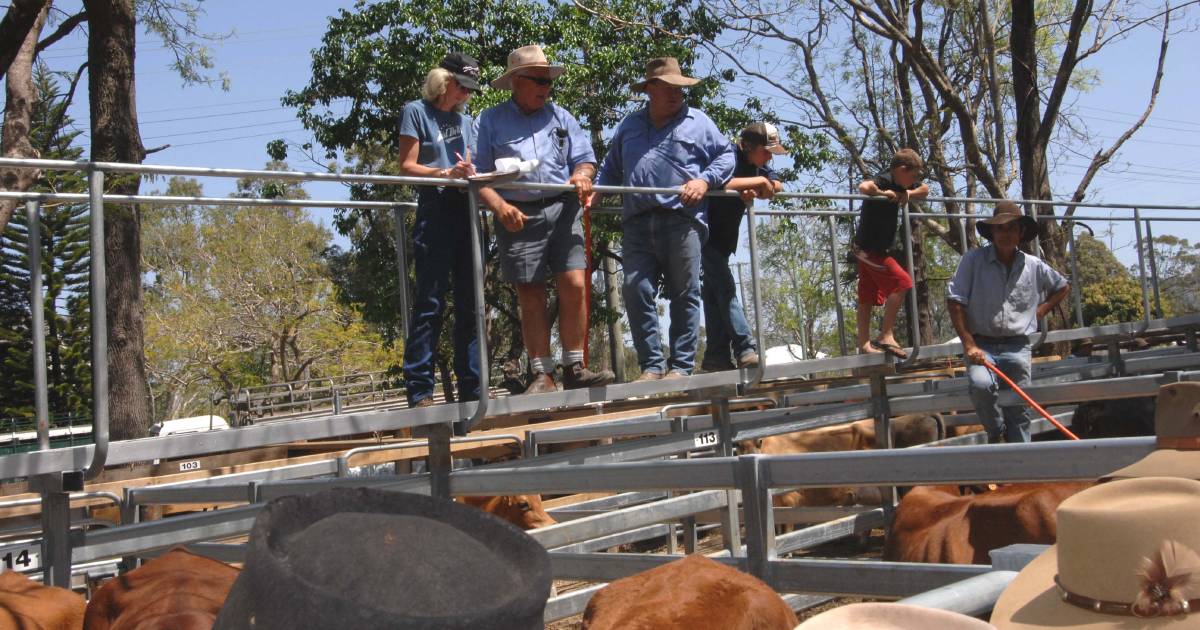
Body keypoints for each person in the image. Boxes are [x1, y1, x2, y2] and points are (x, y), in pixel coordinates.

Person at [474, 45, 614, 394]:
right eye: (539, 79)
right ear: (517, 81)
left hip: (564, 208)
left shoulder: (562, 116)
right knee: (529, 292)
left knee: (576, 283)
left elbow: (585, 159)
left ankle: (575, 367)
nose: (546, 86)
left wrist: (582, 175)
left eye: (549, 80)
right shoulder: (489, 121)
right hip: (516, 213)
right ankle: (542, 374)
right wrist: (498, 207)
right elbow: (475, 176)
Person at [596, 57, 735, 381]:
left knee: (684, 291)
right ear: (649, 90)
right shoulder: (629, 126)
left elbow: (726, 155)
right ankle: (652, 366)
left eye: (680, 89)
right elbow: (610, 167)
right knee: (635, 288)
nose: (676, 94)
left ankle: (682, 367)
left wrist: (704, 181)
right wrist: (595, 196)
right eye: (668, 88)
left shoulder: (699, 122)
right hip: (637, 222)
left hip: (682, 219)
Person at [398, 52, 482, 408]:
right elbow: (407, 166)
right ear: (444, 82)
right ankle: (420, 390)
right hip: (435, 208)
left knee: (471, 304)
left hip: (467, 208)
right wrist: (444, 174)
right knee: (430, 303)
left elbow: (470, 164)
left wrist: (471, 172)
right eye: (462, 87)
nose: (465, 95)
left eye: (469, 90)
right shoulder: (415, 111)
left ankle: (473, 389)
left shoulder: (467, 122)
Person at [947, 201, 1070, 443]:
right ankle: (996, 433)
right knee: (981, 386)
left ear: (1020, 233)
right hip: (981, 344)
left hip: (1018, 345)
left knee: (1020, 408)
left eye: (1011, 228)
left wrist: (1042, 310)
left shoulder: (1032, 265)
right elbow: (954, 300)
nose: (1006, 234)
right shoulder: (973, 260)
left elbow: (1062, 286)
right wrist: (969, 343)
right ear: (992, 232)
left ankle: (1020, 465)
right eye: (1000, 229)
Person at [698, 122, 785, 372]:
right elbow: (716, 183)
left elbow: (775, 184)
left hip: (725, 239)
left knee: (714, 295)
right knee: (725, 289)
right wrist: (755, 181)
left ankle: (715, 355)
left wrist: (762, 188)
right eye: (766, 151)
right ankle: (745, 348)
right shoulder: (727, 156)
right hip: (706, 234)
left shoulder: (757, 164)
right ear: (748, 146)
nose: (769, 157)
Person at [854, 148, 930, 359]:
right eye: (913, 175)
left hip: (875, 249)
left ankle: (864, 344)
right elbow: (864, 186)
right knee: (903, 282)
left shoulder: (902, 185)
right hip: (867, 250)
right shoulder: (886, 179)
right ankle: (886, 334)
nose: (915, 180)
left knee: (867, 296)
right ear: (902, 170)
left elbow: (925, 190)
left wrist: (905, 194)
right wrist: (882, 193)